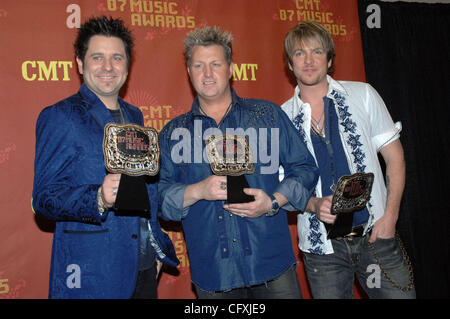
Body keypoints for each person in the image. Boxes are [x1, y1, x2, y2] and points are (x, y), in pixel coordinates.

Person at [158, 26, 318, 299]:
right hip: (214, 273)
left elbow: (304, 168)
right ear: (188, 71)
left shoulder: (267, 115)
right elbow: (158, 197)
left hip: (272, 264)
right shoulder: (173, 134)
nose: (207, 74)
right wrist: (198, 191)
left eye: (215, 64)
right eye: (199, 65)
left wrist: (273, 201)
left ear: (231, 68)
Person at [32, 16, 178, 299]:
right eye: (97, 57)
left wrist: (153, 248)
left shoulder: (135, 116)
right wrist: (97, 197)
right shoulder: (60, 116)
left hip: (142, 268)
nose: (108, 67)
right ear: (80, 63)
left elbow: (144, 189)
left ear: (127, 65)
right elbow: (44, 198)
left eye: (117, 58)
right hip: (91, 272)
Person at [280, 21, 415, 298]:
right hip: (323, 253)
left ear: (329, 59)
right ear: (290, 65)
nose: (308, 60)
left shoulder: (362, 95)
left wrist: (391, 216)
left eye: (317, 52)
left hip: (377, 237)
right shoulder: (281, 118)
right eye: (299, 53)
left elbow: (395, 157)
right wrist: (313, 204)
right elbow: (283, 187)